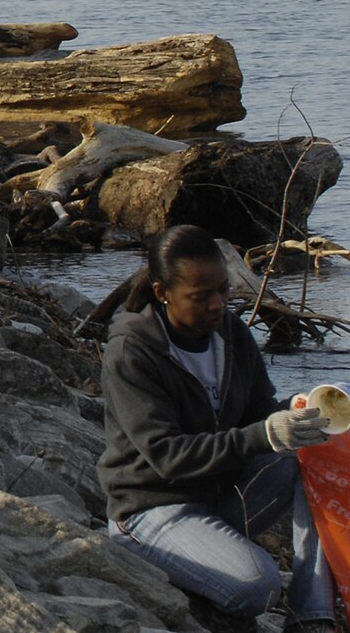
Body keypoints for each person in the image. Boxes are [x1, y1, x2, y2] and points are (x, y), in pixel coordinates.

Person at [99, 224, 337, 633]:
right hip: (151, 511)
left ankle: (313, 615)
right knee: (258, 587)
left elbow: (261, 412)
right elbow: (168, 456)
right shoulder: (132, 352)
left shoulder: (230, 334)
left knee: (310, 449)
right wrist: (267, 433)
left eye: (223, 291)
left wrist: (307, 409)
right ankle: (190, 556)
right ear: (163, 293)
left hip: (221, 497)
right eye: (201, 296)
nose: (217, 304)